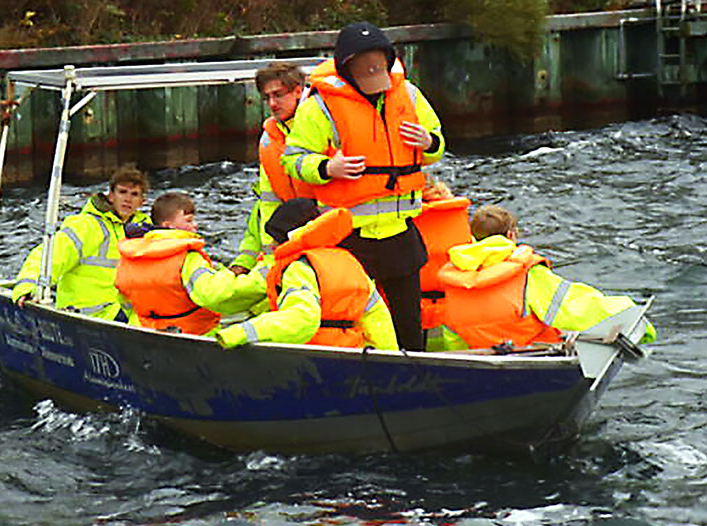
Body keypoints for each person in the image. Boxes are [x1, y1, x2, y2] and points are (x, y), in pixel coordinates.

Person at [281, 22, 446, 351]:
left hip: (400, 233)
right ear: (346, 69)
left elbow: (438, 145)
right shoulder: (319, 107)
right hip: (350, 238)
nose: (376, 83)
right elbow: (293, 160)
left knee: (408, 324)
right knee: (356, 322)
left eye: (379, 71)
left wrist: (429, 142)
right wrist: (329, 167)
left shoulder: (409, 94)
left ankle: (415, 370)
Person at [428, 205, 656, 351]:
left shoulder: (455, 280)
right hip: (530, 352)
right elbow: (577, 308)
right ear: (511, 235)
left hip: (479, 355)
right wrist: (632, 317)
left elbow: (452, 335)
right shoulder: (528, 273)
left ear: (473, 237)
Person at [216, 198, 398, 350]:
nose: (271, 244)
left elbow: (302, 318)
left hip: (312, 358)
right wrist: (387, 362)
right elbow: (377, 318)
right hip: (352, 355)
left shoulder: (299, 268)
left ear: (290, 237)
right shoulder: (348, 260)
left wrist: (239, 332)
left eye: (276, 238)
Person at [11, 164, 153, 321]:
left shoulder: (146, 231)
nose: (128, 199)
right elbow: (52, 255)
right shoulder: (85, 226)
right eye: (122, 192)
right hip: (86, 316)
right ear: (111, 195)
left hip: (128, 313)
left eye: (134, 194)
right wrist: (29, 285)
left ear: (142, 202)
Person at [115, 192, 263, 335]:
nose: (196, 225)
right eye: (189, 220)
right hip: (193, 335)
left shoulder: (132, 256)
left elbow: (125, 300)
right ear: (169, 225)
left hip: (143, 332)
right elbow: (212, 294)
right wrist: (259, 279)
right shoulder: (187, 257)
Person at [229, 62, 314, 275]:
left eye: (278, 95)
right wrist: (270, 254)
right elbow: (269, 202)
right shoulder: (269, 138)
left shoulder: (321, 125)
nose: (272, 103)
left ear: (298, 91)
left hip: (325, 240)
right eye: (267, 98)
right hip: (286, 244)